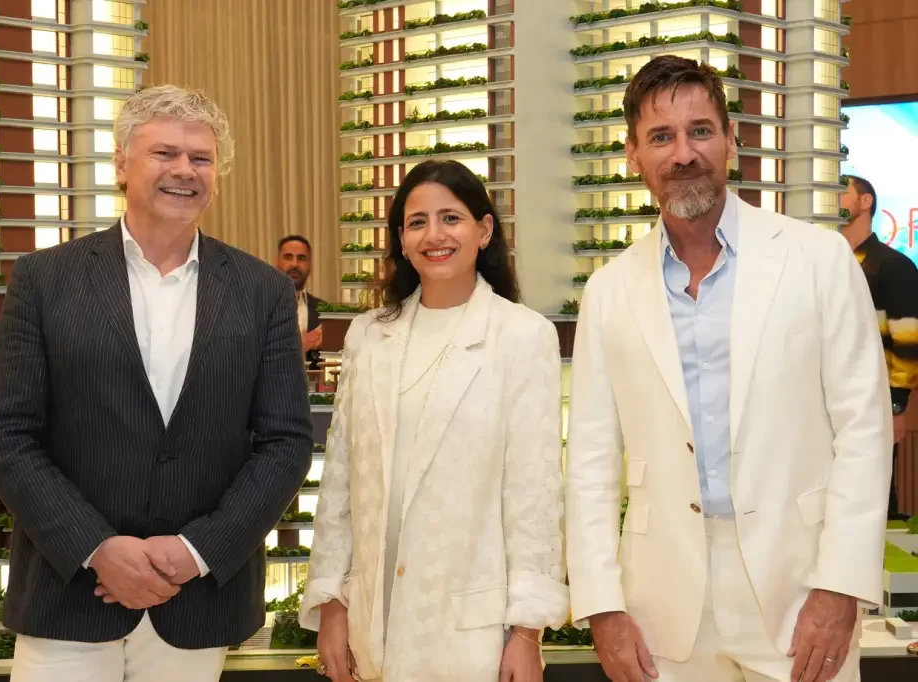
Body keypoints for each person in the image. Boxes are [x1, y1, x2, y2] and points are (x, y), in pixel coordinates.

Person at [565, 56, 892, 682]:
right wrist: (603, 606)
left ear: (730, 140)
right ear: (633, 154)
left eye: (700, 131)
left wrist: (840, 587)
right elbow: (590, 462)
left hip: (801, 591)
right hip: (660, 607)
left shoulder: (818, 260)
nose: (684, 153)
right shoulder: (609, 290)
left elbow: (864, 432)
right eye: (661, 137)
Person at [0, 85, 314, 682]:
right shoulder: (44, 280)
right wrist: (97, 548)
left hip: (197, 598)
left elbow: (286, 443)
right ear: (121, 163)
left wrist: (197, 551)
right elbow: (7, 438)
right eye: (164, 153)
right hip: (68, 594)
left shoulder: (263, 291)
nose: (184, 169)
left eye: (201, 158)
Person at [299, 159, 569, 682]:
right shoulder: (367, 336)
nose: (434, 235)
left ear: (484, 230)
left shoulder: (521, 336)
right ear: (401, 239)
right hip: (370, 626)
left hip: (473, 636)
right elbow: (339, 483)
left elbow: (534, 496)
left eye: (451, 218)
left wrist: (527, 631)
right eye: (417, 222)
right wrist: (331, 602)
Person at [840, 175, 918, 521]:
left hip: (874, 403)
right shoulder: (828, 263)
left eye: (842, 191)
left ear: (866, 201)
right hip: (827, 400)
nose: (834, 197)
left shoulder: (893, 266)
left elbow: (908, 339)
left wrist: (897, 404)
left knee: (874, 497)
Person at [275, 234, 326, 368]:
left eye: (301, 258)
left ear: (310, 266)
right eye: (288, 257)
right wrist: (299, 346)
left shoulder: (324, 311)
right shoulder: (259, 306)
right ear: (277, 263)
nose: (295, 264)